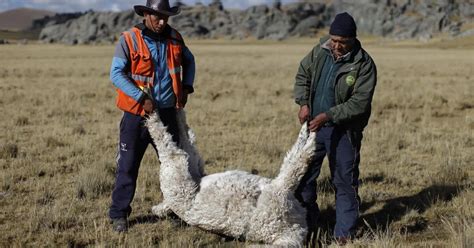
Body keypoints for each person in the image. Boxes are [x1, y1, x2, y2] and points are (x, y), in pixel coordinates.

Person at [108, 0, 195, 232]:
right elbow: (115, 74)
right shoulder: (129, 39)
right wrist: (141, 98)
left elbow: (190, 61)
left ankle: (177, 210)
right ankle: (119, 215)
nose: (163, 21)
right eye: (158, 17)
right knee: (127, 165)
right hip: (137, 116)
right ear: (146, 14)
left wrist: (187, 86)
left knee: (174, 166)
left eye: (166, 17)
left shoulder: (175, 38)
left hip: (167, 115)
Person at [293, 12, 377, 244]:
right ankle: (308, 225)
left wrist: (328, 115)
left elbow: (359, 103)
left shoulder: (364, 64)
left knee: (344, 182)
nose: (337, 46)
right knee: (304, 178)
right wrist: (303, 103)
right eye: (334, 40)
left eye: (343, 42)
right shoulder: (320, 51)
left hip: (344, 132)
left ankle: (344, 235)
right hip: (314, 129)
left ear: (352, 39)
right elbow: (303, 75)